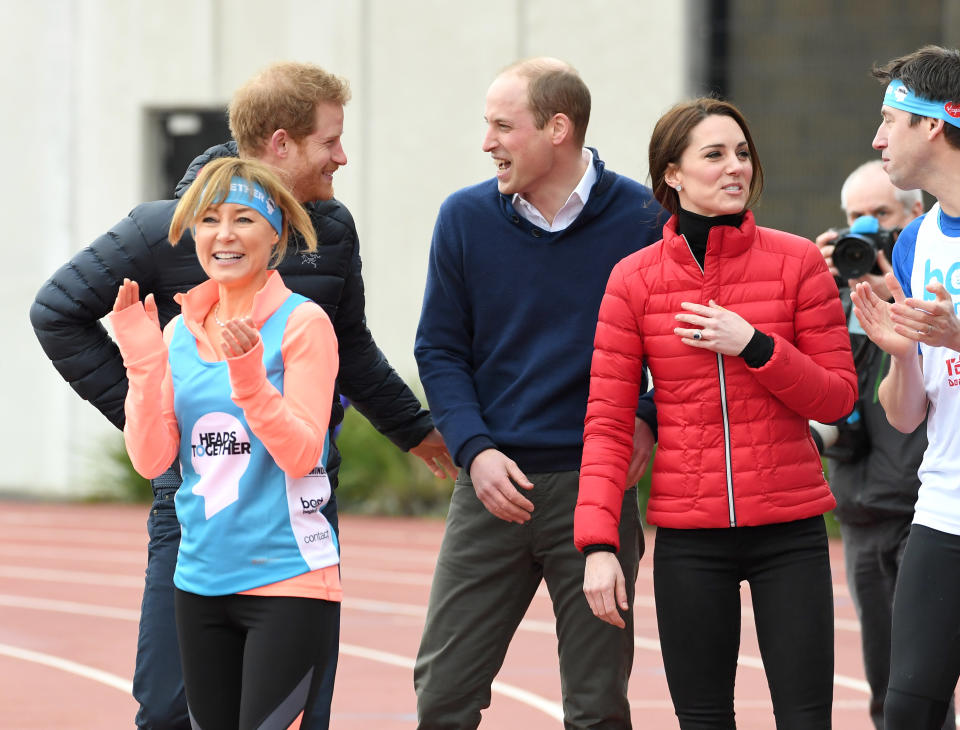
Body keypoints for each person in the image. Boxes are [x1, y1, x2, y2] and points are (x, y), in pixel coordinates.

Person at [30, 62, 454, 730]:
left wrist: (418, 430)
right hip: (197, 514)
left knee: (287, 719)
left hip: (297, 505)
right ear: (280, 144)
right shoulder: (162, 228)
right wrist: (164, 424)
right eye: (329, 141)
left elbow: (352, 346)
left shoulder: (331, 231)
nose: (342, 157)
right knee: (170, 714)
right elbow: (57, 312)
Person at [575, 97, 858, 729]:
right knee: (703, 719)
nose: (735, 167)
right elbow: (608, 422)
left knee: (807, 718)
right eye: (714, 155)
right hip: (690, 535)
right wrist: (597, 543)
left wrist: (754, 345)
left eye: (742, 153)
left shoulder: (798, 262)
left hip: (790, 530)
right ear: (672, 174)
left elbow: (837, 395)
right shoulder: (633, 281)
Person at [413, 57, 664, 729]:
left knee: (597, 706)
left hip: (598, 486)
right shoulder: (464, 218)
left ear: (558, 128)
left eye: (502, 126)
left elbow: (677, 347)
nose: (487, 142)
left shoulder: (644, 218)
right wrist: (475, 450)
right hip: (492, 485)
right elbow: (438, 349)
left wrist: (646, 418)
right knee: (442, 695)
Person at [112, 156, 339, 728]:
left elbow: (302, 453)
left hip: (289, 580)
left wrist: (249, 378)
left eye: (244, 219)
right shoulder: (178, 330)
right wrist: (142, 363)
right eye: (209, 219)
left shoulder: (303, 323)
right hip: (199, 580)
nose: (224, 235)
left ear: (276, 234)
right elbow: (152, 459)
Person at [813, 161, 952, 730]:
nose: (865, 231)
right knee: (891, 693)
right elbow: (829, 408)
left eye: (881, 217)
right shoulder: (837, 306)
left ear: (914, 219)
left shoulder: (933, 287)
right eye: (854, 221)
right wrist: (830, 299)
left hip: (929, 511)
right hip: (864, 511)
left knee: (925, 694)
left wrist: (898, 299)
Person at [850, 45, 960, 730]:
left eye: (890, 118)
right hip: (944, 506)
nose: (877, 138)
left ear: (934, 124)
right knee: (908, 706)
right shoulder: (917, 241)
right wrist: (900, 354)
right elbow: (906, 413)